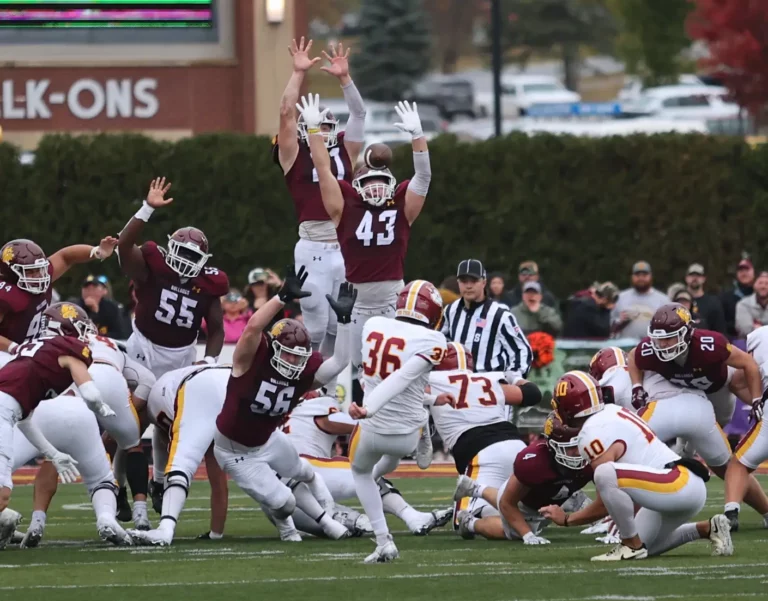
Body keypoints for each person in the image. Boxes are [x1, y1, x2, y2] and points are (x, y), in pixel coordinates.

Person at [299, 93, 431, 405]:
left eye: (379, 179)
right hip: (355, 301)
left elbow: (423, 178)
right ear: (356, 183)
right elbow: (322, 167)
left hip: (390, 299)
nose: (374, 185)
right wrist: (315, 132)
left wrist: (417, 135)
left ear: (391, 180)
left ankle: (420, 417)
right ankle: (301, 396)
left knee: (399, 366)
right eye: (368, 179)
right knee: (352, 364)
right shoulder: (344, 205)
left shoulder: (399, 206)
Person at [212, 266, 356, 543]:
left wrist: (346, 321)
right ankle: (289, 528)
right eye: (287, 354)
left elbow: (339, 362)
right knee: (285, 502)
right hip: (234, 450)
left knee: (304, 472)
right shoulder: (250, 362)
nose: (292, 362)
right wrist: (281, 297)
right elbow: (253, 327)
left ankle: (326, 519)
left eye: (297, 357)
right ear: (273, 347)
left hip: (267, 438)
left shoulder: (302, 374)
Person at [539, 371, 733, 561]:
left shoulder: (591, 432)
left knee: (605, 474)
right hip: (680, 486)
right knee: (647, 547)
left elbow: (604, 502)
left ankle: (630, 544)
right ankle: (708, 528)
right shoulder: (611, 411)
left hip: (676, 483)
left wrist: (567, 519)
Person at [347, 280, 453, 563]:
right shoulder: (434, 340)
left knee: (361, 473)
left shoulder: (373, 326)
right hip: (407, 434)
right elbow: (403, 378)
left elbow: (381, 377)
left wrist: (368, 408)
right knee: (414, 396)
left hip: (372, 426)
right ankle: (424, 427)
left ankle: (384, 541)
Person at [21, 328, 156, 546]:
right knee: (129, 448)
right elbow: (148, 380)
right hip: (109, 382)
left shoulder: (49, 343)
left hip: (65, 397)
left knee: (52, 457)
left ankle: (36, 521)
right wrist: (121, 414)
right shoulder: (111, 343)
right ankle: (130, 515)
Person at [274, 38, 366, 357]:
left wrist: (345, 80)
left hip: (344, 242)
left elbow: (359, 113)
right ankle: (308, 381)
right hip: (312, 242)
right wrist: (298, 73)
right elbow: (286, 112)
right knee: (313, 319)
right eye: (317, 126)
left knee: (340, 323)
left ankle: (332, 387)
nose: (323, 131)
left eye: (327, 125)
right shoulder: (293, 154)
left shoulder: (345, 149)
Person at [0, 302, 114, 548]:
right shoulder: (68, 348)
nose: (86, 335)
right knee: (2, 494)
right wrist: (99, 405)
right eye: (82, 328)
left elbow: (25, 418)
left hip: (6, 411)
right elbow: (90, 392)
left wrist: (53, 453)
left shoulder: (31, 350)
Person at [281, 393, 452, 538]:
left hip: (283, 497)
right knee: (365, 472)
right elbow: (360, 425)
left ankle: (352, 520)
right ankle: (412, 517)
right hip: (309, 470)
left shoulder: (283, 419)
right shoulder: (313, 410)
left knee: (346, 523)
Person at [117, 176, 229, 378]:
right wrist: (147, 208)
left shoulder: (208, 284)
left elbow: (216, 329)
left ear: (203, 259)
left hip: (182, 356)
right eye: (182, 252)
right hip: (143, 348)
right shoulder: (152, 266)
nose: (186, 260)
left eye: (193, 256)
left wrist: (210, 359)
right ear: (169, 248)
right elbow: (124, 245)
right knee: (132, 399)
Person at [428, 342, 540, 525]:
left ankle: (525, 517)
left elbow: (405, 393)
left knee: (464, 520)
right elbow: (532, 394)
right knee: (512, 498)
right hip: (517, 447)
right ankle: (547, 504)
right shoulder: (488, 379)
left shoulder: (432, 380)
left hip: (483, 454)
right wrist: (515, 377)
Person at [452, 411, 592, 543]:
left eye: (577, 444)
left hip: (554, 494)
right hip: (532, 499)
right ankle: (469, 522)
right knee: (515, 531)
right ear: (552, 445)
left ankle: (474, 488)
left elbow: (608, 489)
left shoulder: (593, 453)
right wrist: (527, 534)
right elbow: (506, 502)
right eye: (568, 447)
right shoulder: (534, 461)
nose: (576, 453)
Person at [11, 394, 131, 547]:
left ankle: (36, 522)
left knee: (3, 468)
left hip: (39, 412)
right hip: (79, 410)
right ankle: (106, 517)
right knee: (100, 480)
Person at [0, 237, 117, 364]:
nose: (39, 276)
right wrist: (14, 347)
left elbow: (65, 257)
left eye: (39, 269)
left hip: (29, 351)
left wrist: (97, 251)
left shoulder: (40, 278)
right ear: (10, 273)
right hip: (5, 354)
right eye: (30, 272)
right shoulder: (6, 296)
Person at [442, 259, 532, 377]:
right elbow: (439, 344)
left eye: (474, 281)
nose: (468, 286)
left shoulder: (499, 314)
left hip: (489, 385)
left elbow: (521, 350)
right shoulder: (450, 311)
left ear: (483, 282)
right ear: (458, 283)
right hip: (455, 384)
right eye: (464, 281)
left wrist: (514, 379)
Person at [725, 326, 768, 531]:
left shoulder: (759, 335)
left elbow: (737, 381)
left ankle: (731, 512)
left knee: (739, 463)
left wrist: (757, 404)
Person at [612, 261, 669, 339]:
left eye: (644, 275)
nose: (641, 278)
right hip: (625, 346)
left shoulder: (663, 300)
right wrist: (619, 320)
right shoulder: (620, 298)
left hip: (652, 346)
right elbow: (609, 322)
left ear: (651, 276)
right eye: (637, 275)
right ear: (632, 277)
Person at [685, 263, 727, 334]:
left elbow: (720, 331)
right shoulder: (679, 301)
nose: (695, 278)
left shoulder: (713, 303)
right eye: (692, 275)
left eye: (698, 275)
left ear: (704, 279)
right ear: (686, 278)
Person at [722, 258, 755, 337]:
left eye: (747, 270)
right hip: (735, 340)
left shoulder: (762, 294)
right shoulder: (726, 297)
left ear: (753, 272)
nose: (744, 273)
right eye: (741, 271)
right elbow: (722, 322)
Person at [736, 271, 768, 338]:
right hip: (748, 345)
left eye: (767, 283)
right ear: (754, 285)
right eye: (760, 283)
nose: (763, 286)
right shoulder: (743, 304)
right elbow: (745, 330)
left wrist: (758, 327)